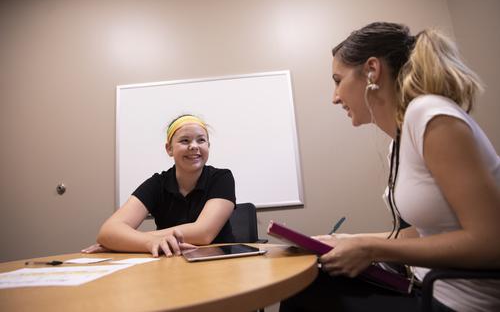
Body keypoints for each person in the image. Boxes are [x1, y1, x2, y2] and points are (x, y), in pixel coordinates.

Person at [280, 22, 500, 311]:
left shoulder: (430, 115)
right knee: (311, 285)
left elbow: (491, 242)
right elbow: (422, 233)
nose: (335, 97)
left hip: (460, 303)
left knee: (307, 299)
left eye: (338, 80)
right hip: (423, 285)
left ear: (372, 70)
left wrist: (370, 249)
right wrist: (347, 241)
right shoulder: (400, 139)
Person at [82, 114, 236, 257]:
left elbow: (204, 233)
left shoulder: (222, 178)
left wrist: (125, 241)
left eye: (201, 140)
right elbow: (108, 232)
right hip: (170, 265)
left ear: (208, 145)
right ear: (169, 149)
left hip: (217, 264)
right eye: (185, 141)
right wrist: (144, 242)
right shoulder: (157, 183)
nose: (194, 146)